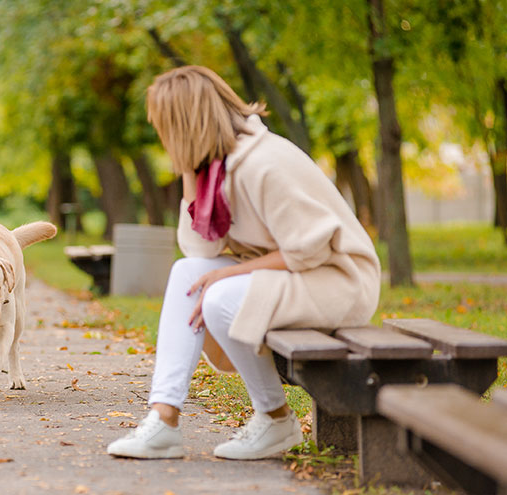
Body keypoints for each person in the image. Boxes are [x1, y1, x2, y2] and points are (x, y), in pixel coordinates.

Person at [107, 65, 380, 460]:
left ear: (184, 124)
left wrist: (233, 272)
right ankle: (163, 420)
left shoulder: (263, 163)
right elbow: (200, 251)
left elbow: (312, 250)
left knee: (219, 296)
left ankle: (275, 419)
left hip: (338, 280)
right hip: (298, 276)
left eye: (164, 127)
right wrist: (188, 173)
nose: (161, 137)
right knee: (187, 274)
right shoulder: (217, 166)